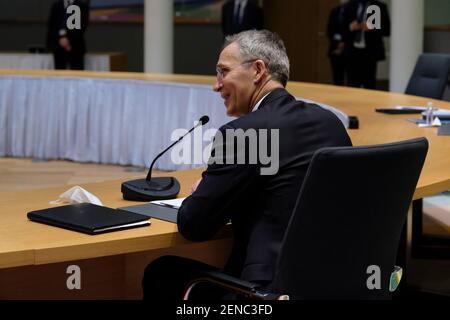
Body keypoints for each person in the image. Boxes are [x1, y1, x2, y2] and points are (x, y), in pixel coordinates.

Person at [142, 30, 352, 300]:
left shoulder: (246, 134)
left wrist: (205, 190)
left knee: (161, 272)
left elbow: (194, 224)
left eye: (223, 72)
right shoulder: (330, 123)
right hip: (332, 284)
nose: (216, 86)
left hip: (262, 296)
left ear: (257, 70)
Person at [342, 0, 390, 89]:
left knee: (369, 83)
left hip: (370, 53)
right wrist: (351, 27)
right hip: (352, 52)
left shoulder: (379, 7)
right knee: (352, 83)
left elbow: (387, 30)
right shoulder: (348, 6)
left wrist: (373, 27)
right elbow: (341, 29)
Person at [47, 0, 89, 70]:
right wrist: (60, 39)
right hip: (58, 48)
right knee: (59, 76)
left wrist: (68, 40)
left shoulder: (82, 6)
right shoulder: (56, 6)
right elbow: (52, 26)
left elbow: (82, 26)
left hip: (75, 48)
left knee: (77, 75)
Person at [327, 2, 347, 86]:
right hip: (335, 48)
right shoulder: (335, 11)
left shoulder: (352, 10)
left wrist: (344, 43)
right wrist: (337, 44)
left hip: (348, 49)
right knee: (337, 77)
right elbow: (329, 30)